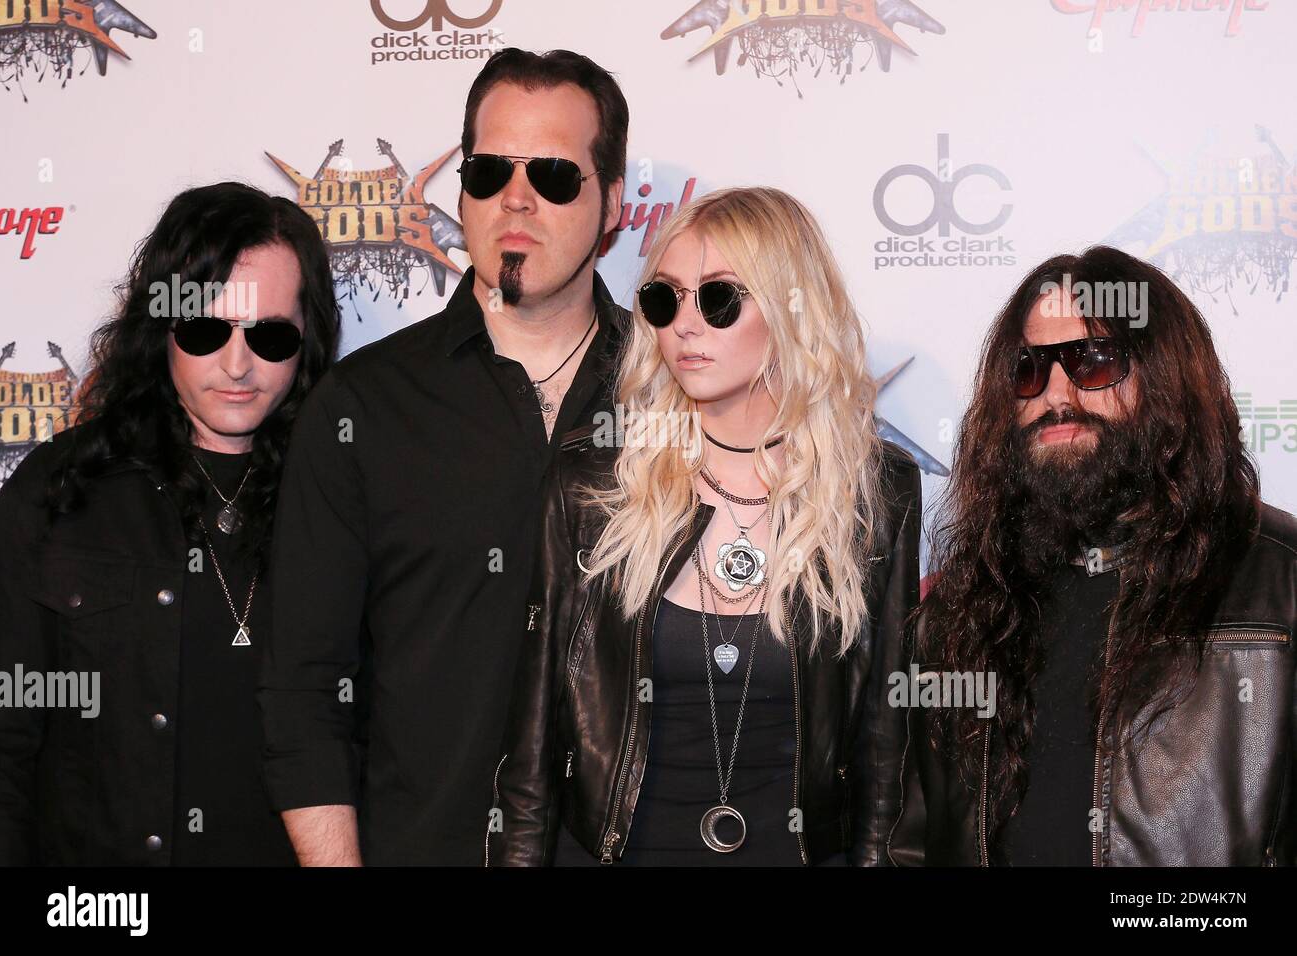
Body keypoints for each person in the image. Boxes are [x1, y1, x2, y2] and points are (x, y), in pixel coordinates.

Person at [259, 48, 631, 865]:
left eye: (557, 177)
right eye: (490, 169)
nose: (517, 199)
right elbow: (302, 689)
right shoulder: (363, 408)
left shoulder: (674, 399)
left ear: (612, 204)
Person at [488, 186, 921, 866]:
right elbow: (531, 749)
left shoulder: (875, 492)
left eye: (718, 299)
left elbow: (886, 752)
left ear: (791, 311)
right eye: (665, 299)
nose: (684, 324)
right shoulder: (594, 486)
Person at [889, 245, 1297, 866]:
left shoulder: (1281, 582)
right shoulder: (966, 604)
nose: (1055, 394)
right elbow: (917, 845)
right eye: (1029, 369)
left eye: (1093, 362)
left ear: (1164, 378)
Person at [0, 182, 338, 865]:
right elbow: (5, 746)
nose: (237, 365)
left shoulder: (345, 497)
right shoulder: (62, 492)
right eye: (206, 329)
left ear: (307, 340)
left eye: (269, 335)